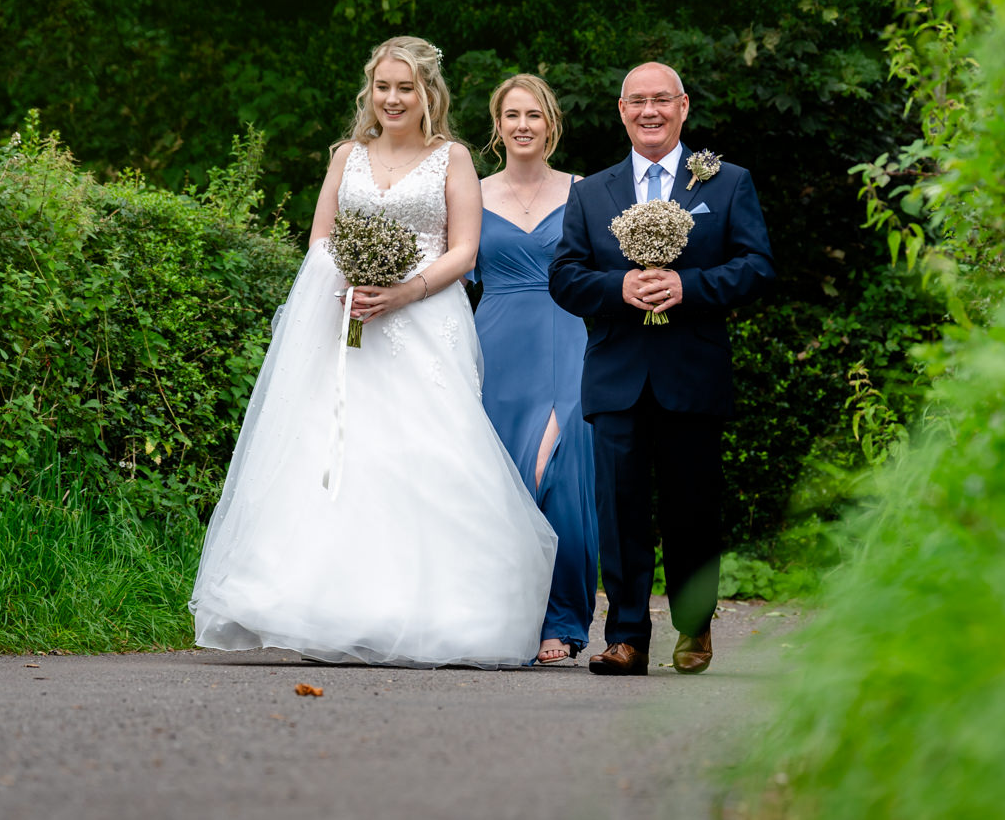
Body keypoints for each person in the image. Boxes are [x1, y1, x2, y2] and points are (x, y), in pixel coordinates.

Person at [188, 36, 556, 667]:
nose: (392, 98)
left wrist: (404, 291)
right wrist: (351, 286)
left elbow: (464, 251)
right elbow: (321, 241)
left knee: (421, 453)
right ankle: (324, 609)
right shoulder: (346, 156)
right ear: (371, 90)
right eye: (383, 86)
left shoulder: (453, 159)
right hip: (346, 320)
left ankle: (428, 613)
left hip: (423, 320)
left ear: (427, 94)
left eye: (405, 88)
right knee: (336, 452)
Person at [549, 62, 775, 676]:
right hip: (617, 373)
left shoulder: (727, 183)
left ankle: (694, 628)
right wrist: (620, 287)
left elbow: (757, 266)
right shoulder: (591, 192)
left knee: (692, 510)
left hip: (692, 372)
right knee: (620, 512)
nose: (649, 111)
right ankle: (625, 636)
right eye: (637, 101)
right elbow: (565, 277)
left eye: (661, 100)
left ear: (683, 107)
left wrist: (689, 285)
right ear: (621, 110)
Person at [472, 75, 597, 665]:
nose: (523, 125)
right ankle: (507, 617)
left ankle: (563, 620)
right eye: (511, 115)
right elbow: (446, 272)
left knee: (561, 471)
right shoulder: (468, 192)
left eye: (534, 115)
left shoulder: (586, 192)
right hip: (495, 345)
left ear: (551, 124)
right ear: (497, 126)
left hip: (571, 336)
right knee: (504, 482)